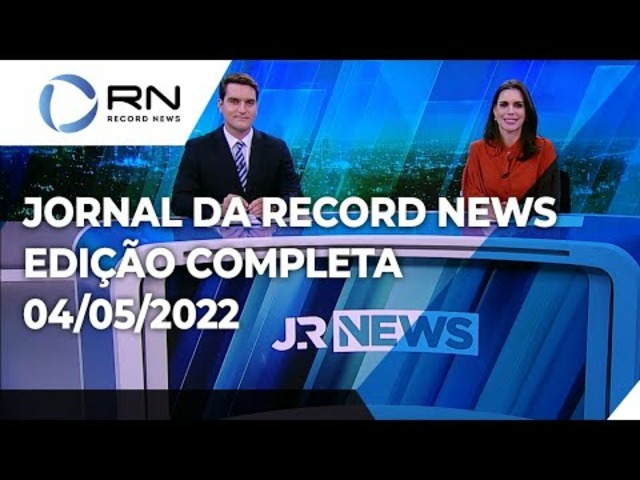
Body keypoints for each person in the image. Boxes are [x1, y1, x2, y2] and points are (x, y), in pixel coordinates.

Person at [171, 72, 303, 219]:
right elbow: (179, 201)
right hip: (216, 233)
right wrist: (218, 209)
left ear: (256, 107)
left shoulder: (277, 148)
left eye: (249, 103)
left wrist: (274, 207)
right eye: (234, 101)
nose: (242, 110)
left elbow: (296, 198)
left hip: (264, 233)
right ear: (220, 105)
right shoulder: (198, 148)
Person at [461, 79, 561, 213]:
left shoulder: (545, 149)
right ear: (495, 112)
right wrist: (490, 210)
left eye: (518, 105)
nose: (511, 111)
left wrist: (510, 212)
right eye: (504, 105)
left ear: (526, 113)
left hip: (530, 225)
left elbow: (548, 204)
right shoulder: (477, 150)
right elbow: (469, 200)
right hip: (487, 225)